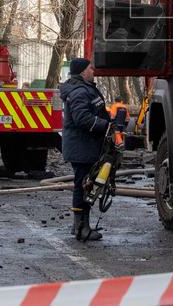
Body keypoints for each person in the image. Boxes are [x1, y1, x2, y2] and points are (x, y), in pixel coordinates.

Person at [60, 57, 110, 241]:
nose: (93, 70)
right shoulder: (80, 92)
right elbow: (83, 119)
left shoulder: (83, 89)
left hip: (84, 146)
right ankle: (82, 228)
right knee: (83, 187)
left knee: (85, 185)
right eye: (90, 68)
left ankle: (79, 226)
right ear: (82, 71)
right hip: (82, 146)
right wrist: (106, 125)